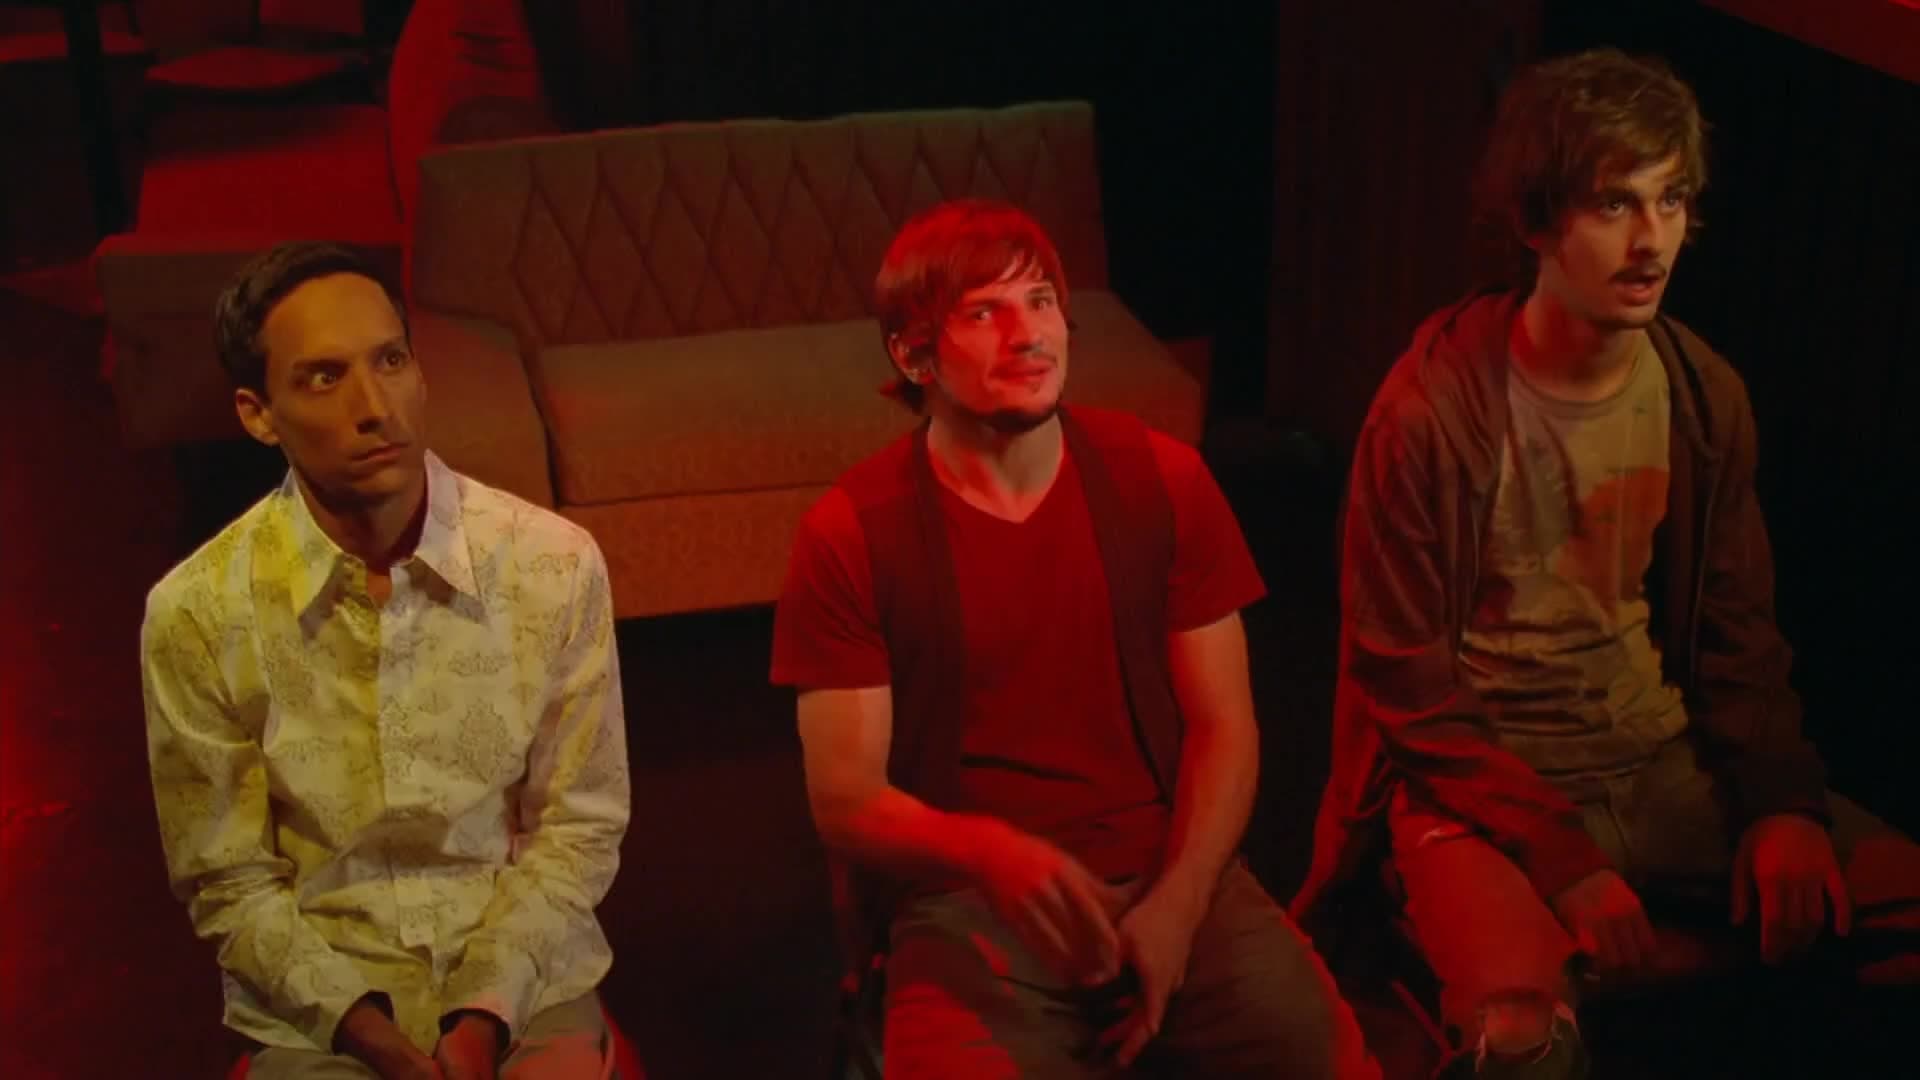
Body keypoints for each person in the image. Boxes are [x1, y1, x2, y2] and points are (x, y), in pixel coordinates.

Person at [1290, 48, 1920, 1077]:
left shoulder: (1702, 392)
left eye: (1671, 200)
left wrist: (1781, 803)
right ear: (1537, 223)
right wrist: (1562, 860)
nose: (1651, 239)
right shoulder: (1429, 413)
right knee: (1520, 1044)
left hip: (1656, 758)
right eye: (1615, 204)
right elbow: (1405, 685)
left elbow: (1739, 634)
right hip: (1483, 790)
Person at [771, 199, 1377, 1078]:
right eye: (985, 312)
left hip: (1171, 865)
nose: (1029, 334)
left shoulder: (1161, 478)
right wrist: (994, 855)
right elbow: (844, 797)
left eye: (1043, 301)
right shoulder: (852, 531)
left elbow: (1225, 727)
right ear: (913, 355)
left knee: (1332, 1059)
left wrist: (1177, 907)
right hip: (966, 902)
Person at [141, 242, 633, 1079]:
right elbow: (227, 878)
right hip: (320, 1008)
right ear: (258, 414)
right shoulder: (197, 611)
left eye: (391, 361)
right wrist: (372, 1037)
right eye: (324, 378)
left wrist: (481, 1018)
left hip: (525, 977)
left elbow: (577, 828)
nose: (375, 407)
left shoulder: (552, 564)